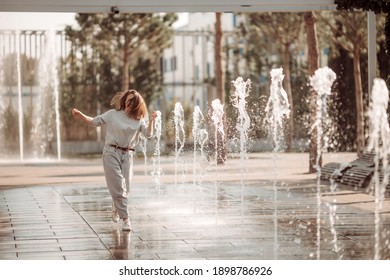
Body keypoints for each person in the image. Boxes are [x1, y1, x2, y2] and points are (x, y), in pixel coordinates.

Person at [72, 89, 156, 231]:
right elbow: (94, 121)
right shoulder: (113, 114)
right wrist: (80, 115)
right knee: (117, 185)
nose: (129, 104)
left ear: (137, 104)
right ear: (123, 101)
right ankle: (126, 219)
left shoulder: (138, 120)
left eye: (132, 102)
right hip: (111, 152)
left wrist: (152, 121)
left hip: (128, 154)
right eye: (127, 101)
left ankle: (116, 207)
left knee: (126, 188)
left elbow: (148, 134)